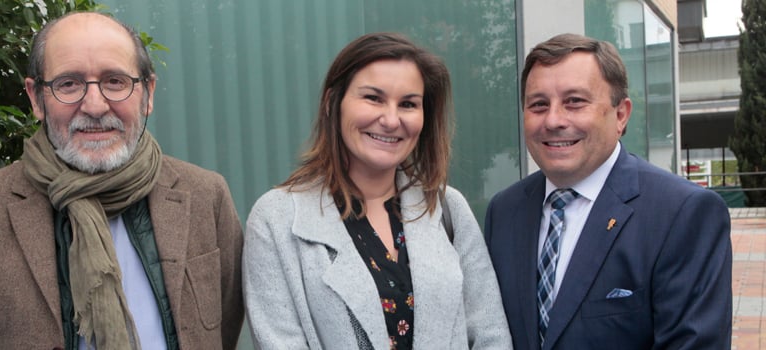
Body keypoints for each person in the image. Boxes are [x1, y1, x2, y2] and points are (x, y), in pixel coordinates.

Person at [0, 12, 244, 350]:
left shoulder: (206, 196)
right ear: (36, 99)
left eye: (115, 81)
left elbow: (224, 328)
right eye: (69, 84)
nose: (94, 105)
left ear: (148, 93)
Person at [242, 32, 511, 349]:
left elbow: (490, 335)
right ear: (332, 103)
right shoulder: (276, 219)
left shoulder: (447, 207)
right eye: (373, 98)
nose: (391, 119)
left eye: (408, 104)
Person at [484, 33, 732, 349]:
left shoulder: (683, 213)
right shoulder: (504, 212)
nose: (554, 119)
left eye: (575, 101)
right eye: (538, 104)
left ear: (620, 115)